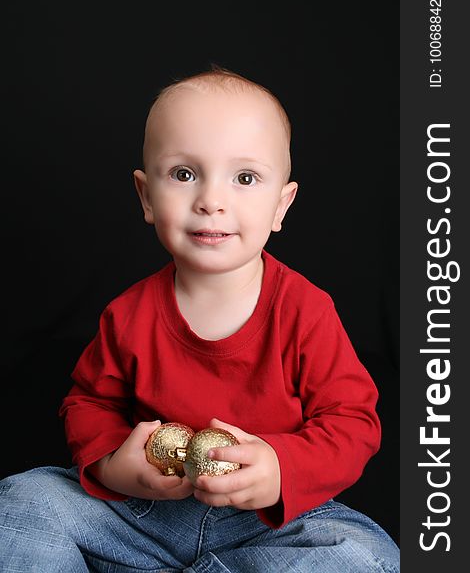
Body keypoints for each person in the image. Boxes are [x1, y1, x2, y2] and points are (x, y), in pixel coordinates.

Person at [0, 66, 399, 572]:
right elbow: (88, 402)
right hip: (141, 515)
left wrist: (280, 468)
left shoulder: (305, 310)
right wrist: (112, 463)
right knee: (21, 504)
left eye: (245, 178)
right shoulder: (128, 314)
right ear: (147, 197)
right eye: (184, 174)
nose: (211, 201)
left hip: (266, 521)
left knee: (363, 557)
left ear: (281, 205)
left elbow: (353, 421)